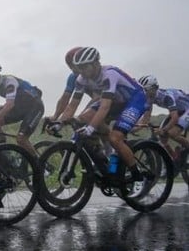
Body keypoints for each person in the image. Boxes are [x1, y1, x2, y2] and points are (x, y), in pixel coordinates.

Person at [59, 47, 148, 181]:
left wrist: (91, 128)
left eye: (84, 67)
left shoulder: (109, 74)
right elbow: (73, 105)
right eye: (79, 68)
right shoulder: (82, 79)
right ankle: (109, 157)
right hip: (115, 101)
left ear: (95, 64)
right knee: (83, 118)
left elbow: (105, 106)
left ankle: (136, 173)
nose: (81, 71)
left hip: (134, 100)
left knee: (115, 138)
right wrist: (59, 123)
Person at [0, 61, 44, 157]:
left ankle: (40, 165)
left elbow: (9, 105)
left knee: (21, 139)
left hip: (35, 107)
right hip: (20, 108)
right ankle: (4, 150)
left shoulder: (9, 81)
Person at [135, 74, 189, 159]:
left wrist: (163, 130)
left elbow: (174, 118)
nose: (143, 92)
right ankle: (175, 160)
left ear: (154, 88)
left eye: (146, 89)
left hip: (186, 109)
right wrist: (133, 128)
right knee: (162, 138)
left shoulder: (166, 96)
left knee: (172, 133)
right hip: (179, 111)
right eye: (142, 90)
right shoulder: (150, 98)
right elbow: (146, 118)